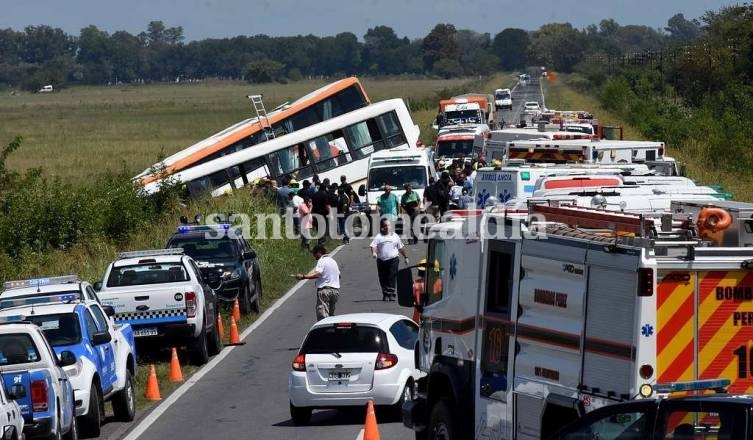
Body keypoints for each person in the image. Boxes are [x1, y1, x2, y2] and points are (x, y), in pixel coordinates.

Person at [295, 245, 340, 320]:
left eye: (314, 254)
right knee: (331, 316)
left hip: (325, 291)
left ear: (319, 252)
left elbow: (318, 274)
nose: (314, 256)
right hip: (335, 292)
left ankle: (324, 331)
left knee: (323, 317)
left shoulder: (322, 260)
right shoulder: (333, 261)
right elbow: (339, 275)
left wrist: (303, 276)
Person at [370, 220, 408, 301]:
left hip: (393, 259)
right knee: (383, 277)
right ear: (382, 227)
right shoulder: (379, 237)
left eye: (389, 225)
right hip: (381, 260)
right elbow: (373, 245)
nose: (387, 227)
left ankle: (391, 294)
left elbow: (401, 247)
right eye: (385, 226)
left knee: (392, 275)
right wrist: (374, 252)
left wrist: (406, 257)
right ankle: (385, 293)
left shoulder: (395, 236)